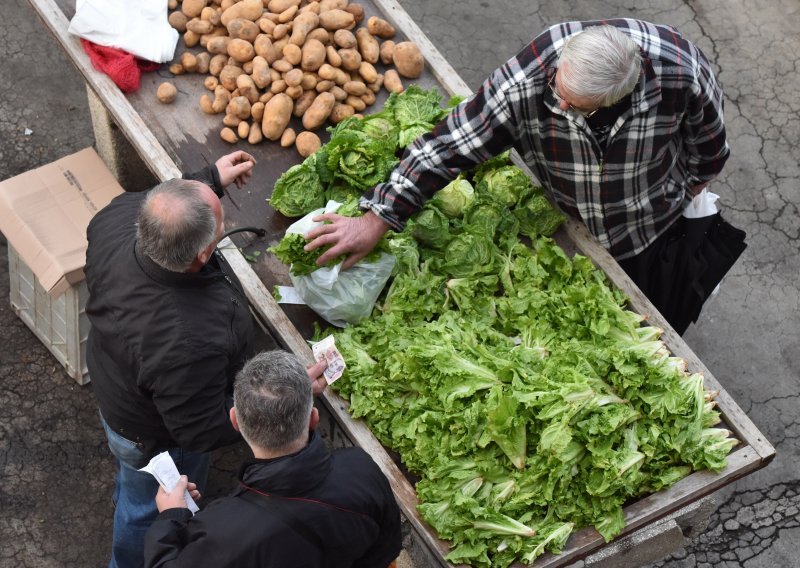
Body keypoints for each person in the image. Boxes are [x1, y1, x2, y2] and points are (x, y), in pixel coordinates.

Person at [304, 19, 730, 332]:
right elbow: (448, 145)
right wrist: (378, 217)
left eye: (575, 107)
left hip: (648, 224)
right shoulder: (529, 81)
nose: (558, 107)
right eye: (557, 92)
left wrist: (680, 195)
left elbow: (709, 144)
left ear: (618, 97)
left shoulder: (678, 70)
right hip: (567, 215)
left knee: (653, 309)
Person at [84, 150, 328, 568]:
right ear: (202, 255)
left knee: (134, 479)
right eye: (218, 230)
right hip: (149, 430)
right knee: (146, 508)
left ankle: (133, 485)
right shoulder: (186, 340)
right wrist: (290, 397)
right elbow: (199, 429)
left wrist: (208, 178)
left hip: (117, 380)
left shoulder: (117, 217)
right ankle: (129, 558)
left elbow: (166, 199)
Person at [143, 350, 403, 568]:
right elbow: (387, 547)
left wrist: (171, 517)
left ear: (234, 420)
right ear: (314, 418)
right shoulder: (360, 467)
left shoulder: (223, 531)